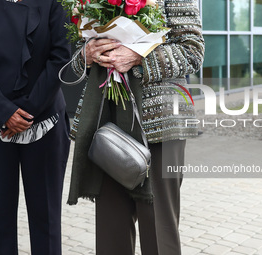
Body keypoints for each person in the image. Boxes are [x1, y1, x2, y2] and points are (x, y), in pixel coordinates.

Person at [67, 0, 204, 254]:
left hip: (160, 123)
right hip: (107, 120)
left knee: (158, 230)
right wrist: (87, 54)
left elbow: (192, 51)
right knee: (111, 232)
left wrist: (138, 57)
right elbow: (77, 53)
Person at [0, 0, 71, 254]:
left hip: (46, 121)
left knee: (46, 219)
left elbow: (61, 56)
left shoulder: (54, 2)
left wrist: (27, 112)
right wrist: (5, 112)